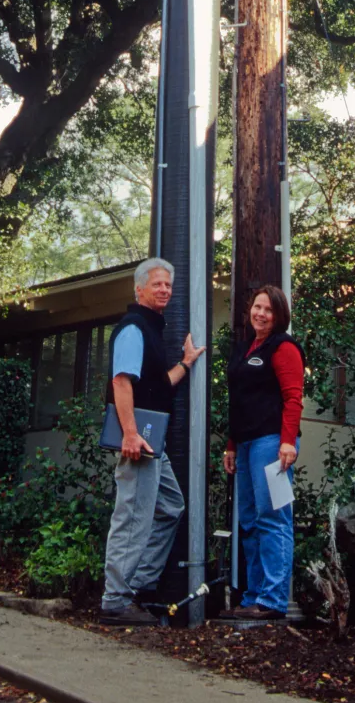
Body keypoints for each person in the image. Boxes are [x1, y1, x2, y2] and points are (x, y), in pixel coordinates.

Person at [98, 258, 205, 625]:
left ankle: (138, 585)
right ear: (139, 289)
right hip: (138, 440)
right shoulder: (133, 328)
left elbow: (158, 386)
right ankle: (116, 599)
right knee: (132, 516)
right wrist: (129, 432)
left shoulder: (151, 330)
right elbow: (121, 382)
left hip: (150, 441)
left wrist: (186, 363)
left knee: (169, 506)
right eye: (157, 284)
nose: (164, 290)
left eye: (168, 286)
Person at [223, 284, 304, 620]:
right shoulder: (244, 350)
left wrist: (287, 441)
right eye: (257, 307)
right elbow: (238, 402)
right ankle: (253, 596)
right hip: (245, 445)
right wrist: (230, 444)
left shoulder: (283, 348)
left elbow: (293, 398)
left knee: (274, 519)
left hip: (273, 443)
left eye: (268, 309)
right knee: (250, 520)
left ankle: (272, 600)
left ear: (279, 315)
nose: (261, 314)